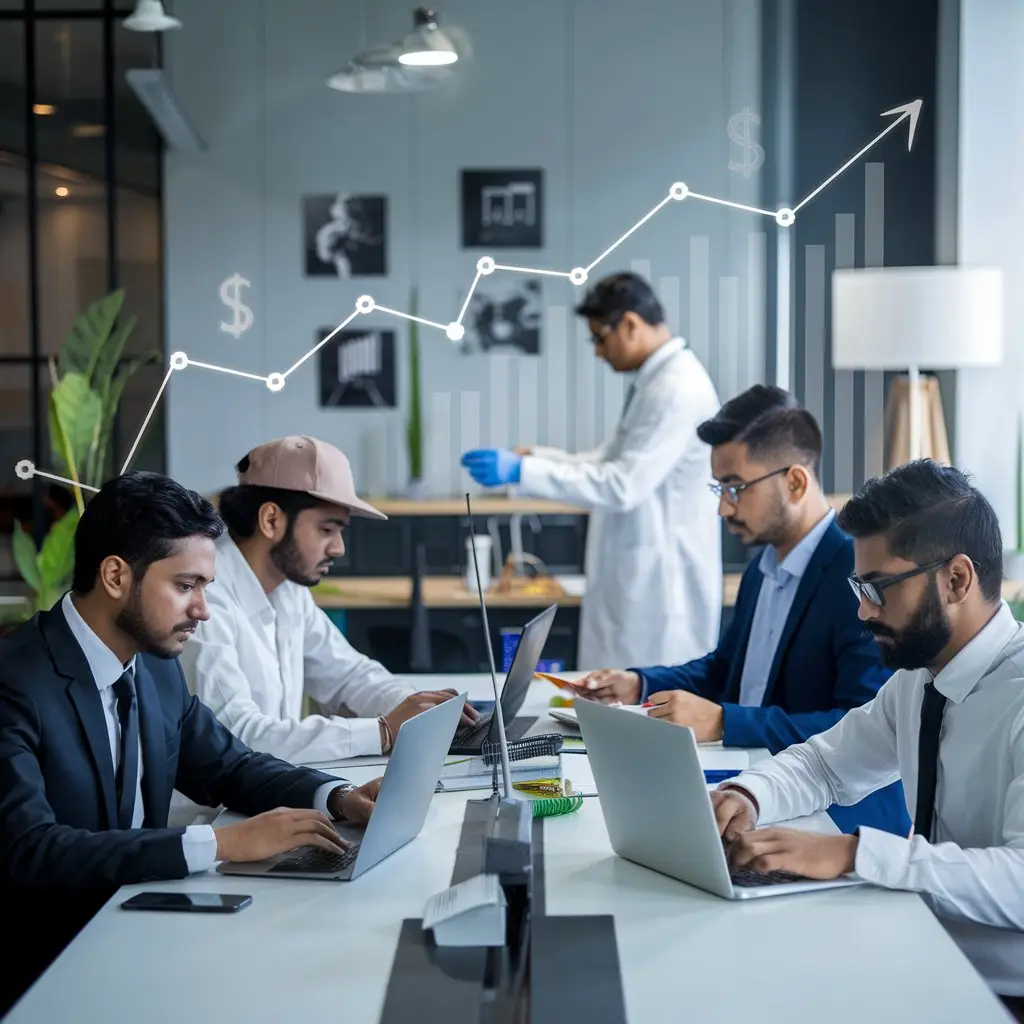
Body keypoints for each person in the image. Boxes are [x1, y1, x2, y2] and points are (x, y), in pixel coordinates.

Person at [0, 472, 382, 1012]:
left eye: (206, 587)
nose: (203, 609)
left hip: (141, 934)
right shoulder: (15, 681)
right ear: (115, 576)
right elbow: (30, 850)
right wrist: (221, 845)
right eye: (186, 586)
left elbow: (230, 767)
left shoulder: (153, 668)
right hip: (50, 970)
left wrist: (338, 797)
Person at [710, 461, 1024, 1015]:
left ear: (957, 579)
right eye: (860, 587)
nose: (862, 611)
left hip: (998, 993)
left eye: (877, 588)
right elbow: (826, 765)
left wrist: (854, 854)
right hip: (919, 951)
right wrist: (747, 796)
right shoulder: (920, 677)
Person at [577, 386, 909, 835]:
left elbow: (864, 724)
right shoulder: (763, 568)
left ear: (794, 481)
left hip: (829, 814)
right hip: (747, 787)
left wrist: (724, 721)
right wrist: (639, 682)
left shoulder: (856, 575)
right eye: (719, 488)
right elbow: (726, 669)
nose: (722, 507)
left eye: (735, 487)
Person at [460, 271, 722, 669]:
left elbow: (621, 485)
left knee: (647, 709)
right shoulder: (655, 384)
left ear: (630, 324)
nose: (598, 352)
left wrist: (523, 472)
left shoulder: (676, 389)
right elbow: (609, 459)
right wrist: (537, 460)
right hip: (637, 579)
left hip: (662, 593)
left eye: (600, 337)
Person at [180, 435, 476, 765]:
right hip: (216, 814)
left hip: (273, 794)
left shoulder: (288, 589)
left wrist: (417, 707)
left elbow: (348, 675)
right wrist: (382, 732)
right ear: (271, 520)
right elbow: (239, 735)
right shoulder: (206, 601)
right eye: (326, 530)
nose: (339, 548)